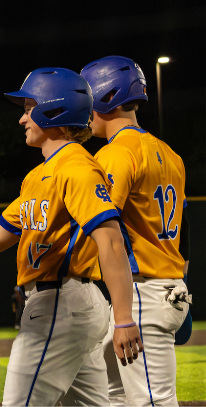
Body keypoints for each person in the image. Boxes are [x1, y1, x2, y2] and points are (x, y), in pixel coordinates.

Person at [0, 68, 143, 406]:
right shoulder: (39, 176)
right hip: (66, 306)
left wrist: (124, 318)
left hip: (60, 304)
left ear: (54, 110)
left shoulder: (77, 168)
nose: (22, 119)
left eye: (29, 108)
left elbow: (111, 240)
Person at [82, 56, 191, 406]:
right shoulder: (170, 153)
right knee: (111, 394)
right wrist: (176, 280)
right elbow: (184, 229)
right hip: (168, 288)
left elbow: (104, 226)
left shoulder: (116, 155)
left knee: (153, 402)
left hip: (143, 294)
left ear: (104, 97)